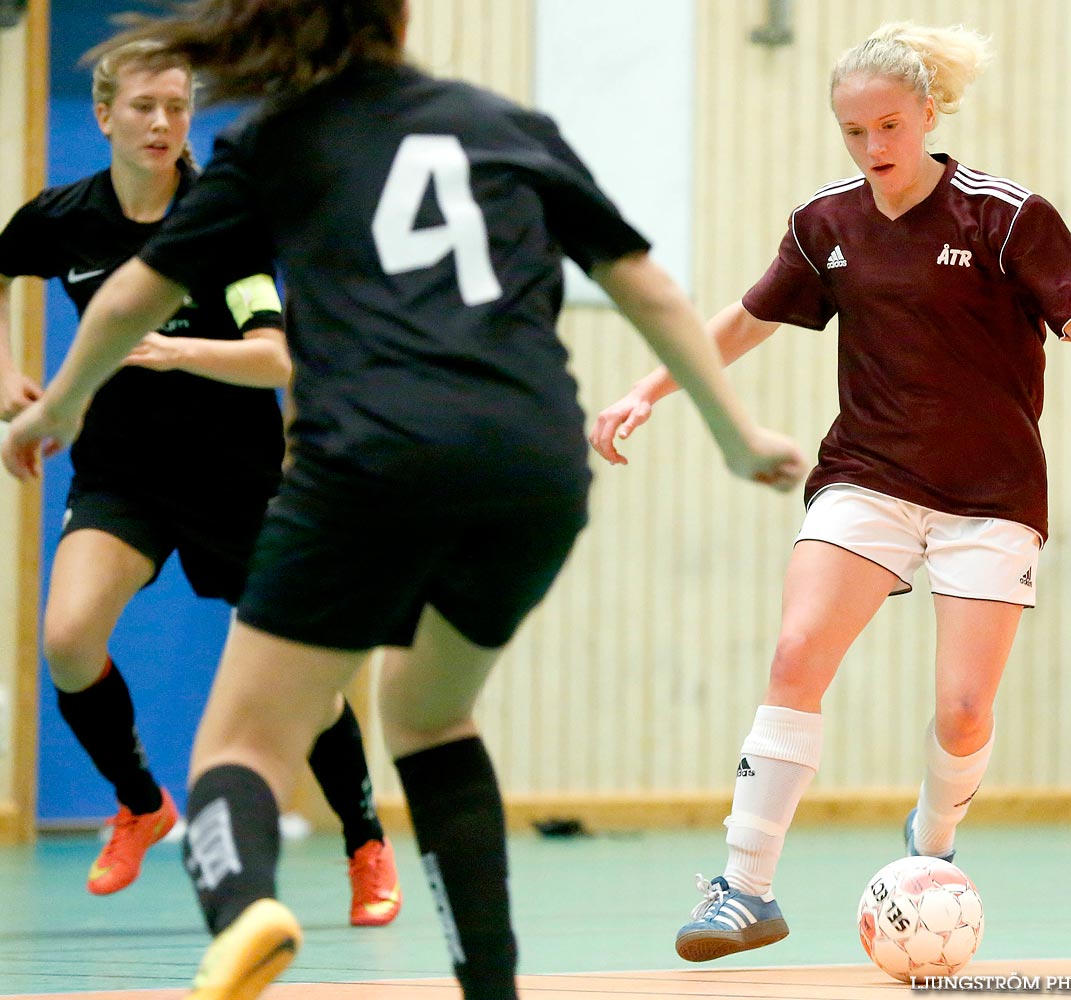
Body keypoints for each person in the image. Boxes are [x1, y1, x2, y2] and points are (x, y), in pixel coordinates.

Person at [1, 2, 806, 998]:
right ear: (401, 17)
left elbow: (128, 299)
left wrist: (57, 408)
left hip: (373, 457)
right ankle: (488, 985)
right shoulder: (507, 122)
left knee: (242, 745)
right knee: (427, 714)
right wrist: (735, 436)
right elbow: (645, 285)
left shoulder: (277, 141)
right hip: (533, 465)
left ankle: (247, 905)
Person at [590, 22, 1071, 963]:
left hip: (991, 494)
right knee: (797, 649)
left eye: (887, 125)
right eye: (853, 131)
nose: (873, 147)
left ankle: (928, 850)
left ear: (927, 112)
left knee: (964, 711)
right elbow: (747, 318)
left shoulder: (1001, 214)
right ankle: (742, 888)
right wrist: (647, 389)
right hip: (867, 475)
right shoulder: (826, 224)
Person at [0, 38, 401, 927]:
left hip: (238, 484)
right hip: (122, 478)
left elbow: (274, 360)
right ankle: (141, 805)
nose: (162, 123)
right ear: (105, 116)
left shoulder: (222, 224)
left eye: (177, 107)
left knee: (307, 683)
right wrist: (6, 377)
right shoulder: (64, 218)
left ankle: (364, 841)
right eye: (144, 106)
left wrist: (173, 349)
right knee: (67, 637)